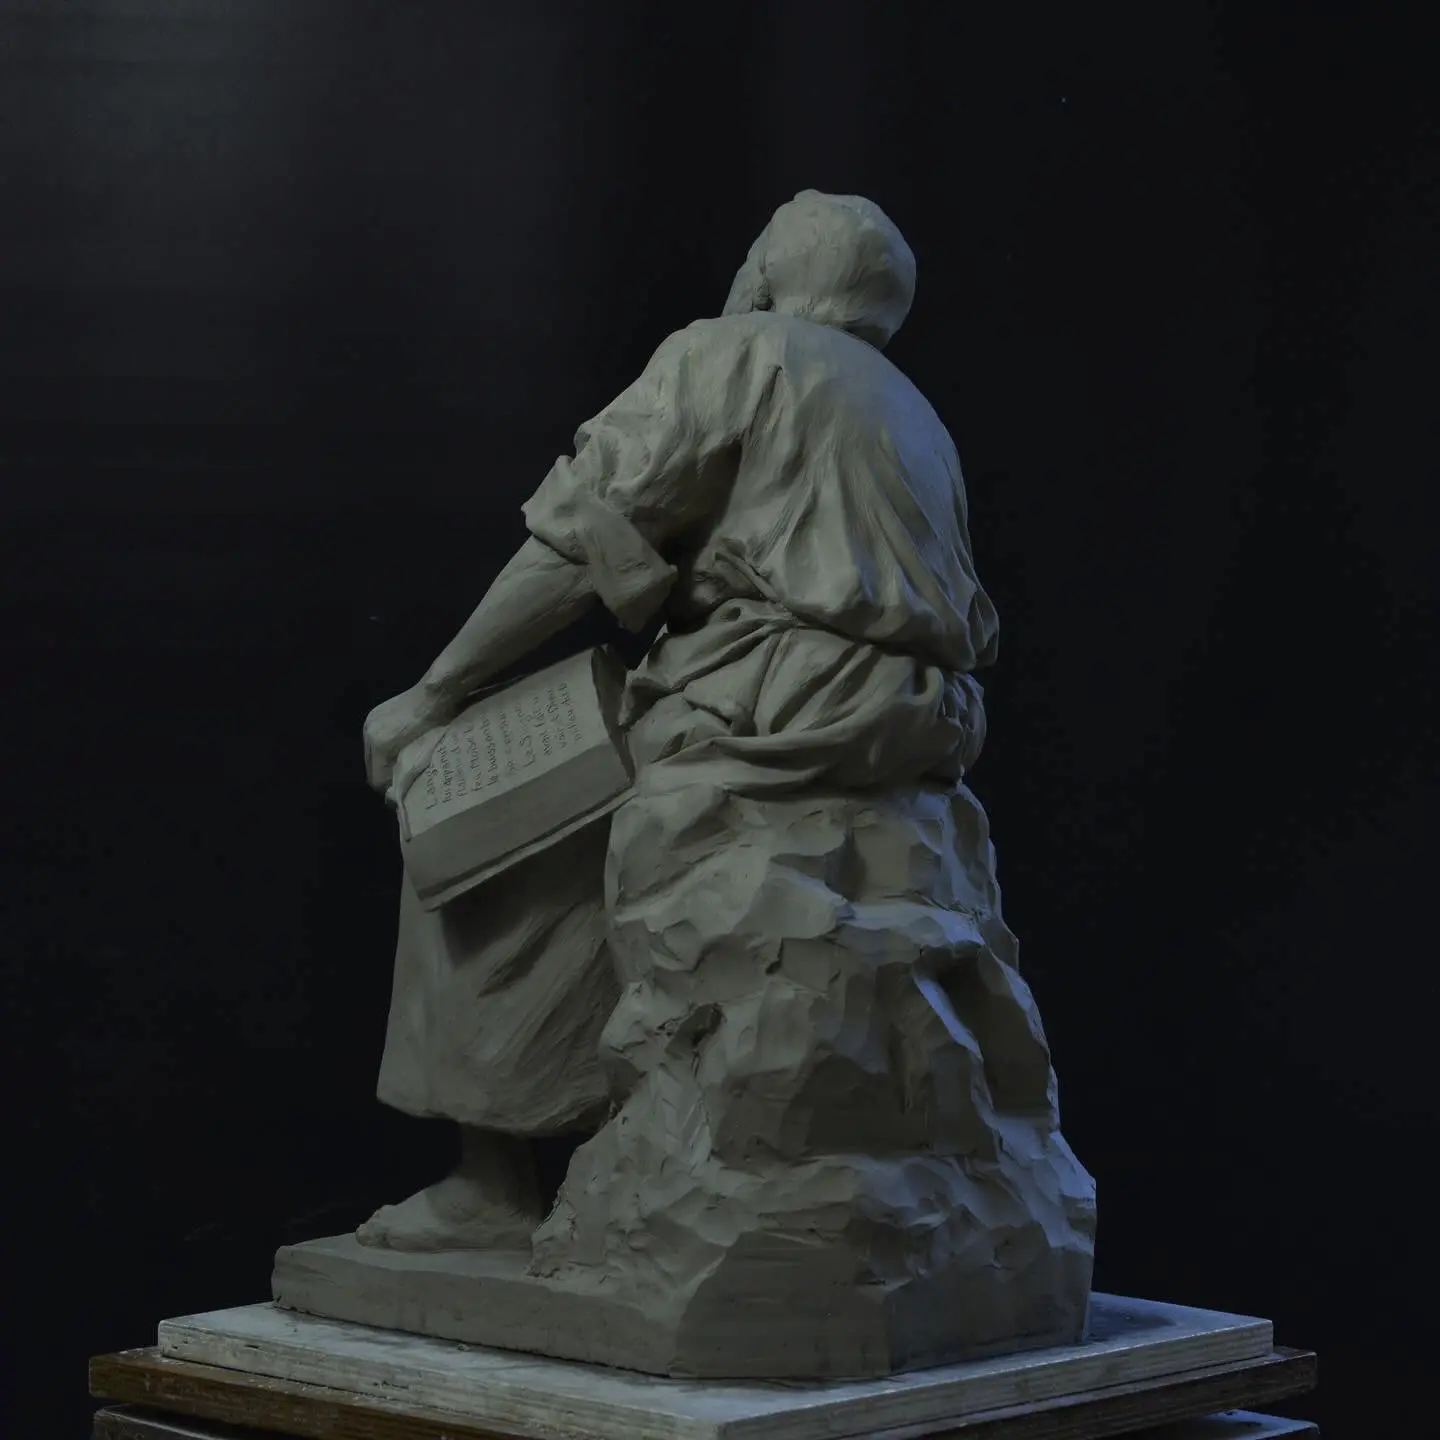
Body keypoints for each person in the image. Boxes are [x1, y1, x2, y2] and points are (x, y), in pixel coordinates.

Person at [358, 191, 1094, 1299]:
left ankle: (492, 1183)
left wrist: (434, 693)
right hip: (908, 720)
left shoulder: (735, 350)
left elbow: (584, 534)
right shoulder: (915, 413)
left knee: (474, 839)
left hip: (765, 701)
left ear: (767, 273)